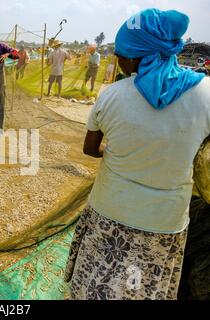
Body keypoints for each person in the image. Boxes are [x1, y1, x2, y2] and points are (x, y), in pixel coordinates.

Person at [65, 8, 210, 300]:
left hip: (110, 212)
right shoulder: (205, 93)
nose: (118, 59)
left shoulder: (112, 94)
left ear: (137, 55)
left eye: (122, 53)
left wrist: (120, 153)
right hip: (164, 222)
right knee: (143, 288)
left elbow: (90, 149)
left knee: (96, 282)